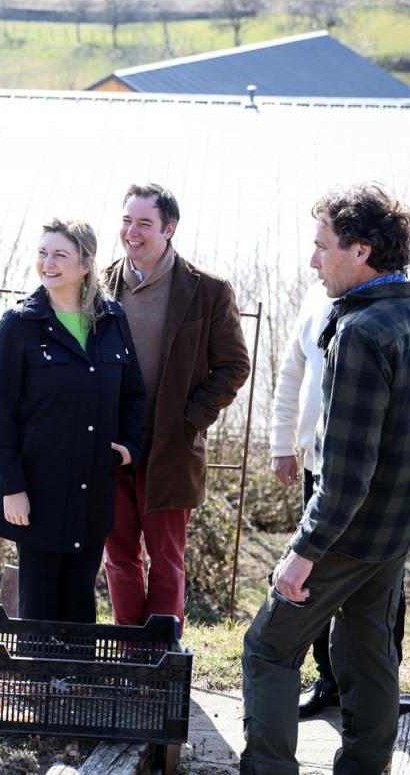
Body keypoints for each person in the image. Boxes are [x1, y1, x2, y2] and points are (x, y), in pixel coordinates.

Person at [241, 184, 410, 775]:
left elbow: (344, 478)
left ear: (362, 251)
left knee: (269, 649)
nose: (312, 260)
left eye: (322, 247)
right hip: (394, 534)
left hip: (345, 536)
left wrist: (301, 553)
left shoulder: (360, 334)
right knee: (366, 649)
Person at [100, 183, 250, 631]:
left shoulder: (208, 290)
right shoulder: (99, 286)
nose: (133, 232)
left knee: (167, 557)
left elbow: (234, 366)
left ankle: (160, 655)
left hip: (172, 447)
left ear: (169, 228)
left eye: (144, 223)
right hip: (110, 446)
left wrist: (190, 419)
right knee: (119, 555)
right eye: (127, 221)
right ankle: (129, 649)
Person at [0, 218, 145, 622]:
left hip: (93, 487)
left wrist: (129, 448)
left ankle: (75, 681)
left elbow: (133, 396)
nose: (48, 263)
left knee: (79, 602)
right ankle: (40, 680)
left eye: (60, 254)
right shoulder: (19, 325)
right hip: (37, 491)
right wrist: (12, 488)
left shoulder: (112, 319)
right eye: (43, 253)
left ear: (86, 263)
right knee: (39, 604)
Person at [269, 283, 408, 719]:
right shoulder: (314, 298)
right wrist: (282, 444)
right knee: (313, 576)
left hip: (375, 481)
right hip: (317, 468)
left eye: (323, 247)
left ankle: (373, 687)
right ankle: (328, 678)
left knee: (378, 587)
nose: (315, 261)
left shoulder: (401, 309)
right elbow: (293, 372)